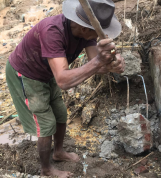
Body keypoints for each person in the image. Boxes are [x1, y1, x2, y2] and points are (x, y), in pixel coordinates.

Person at [6, 0, 125, 177]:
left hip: (48, 72)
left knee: (60, 113)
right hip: (26, 72)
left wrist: (110, 65)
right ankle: (46, 169)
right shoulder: (53, 31)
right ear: (84, 27)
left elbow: (96, 66)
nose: (100, 35)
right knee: (46, 123)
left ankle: (58, 152)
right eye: (97, 31)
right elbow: (63, 80)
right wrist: (99, 61)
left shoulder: (87, 34)